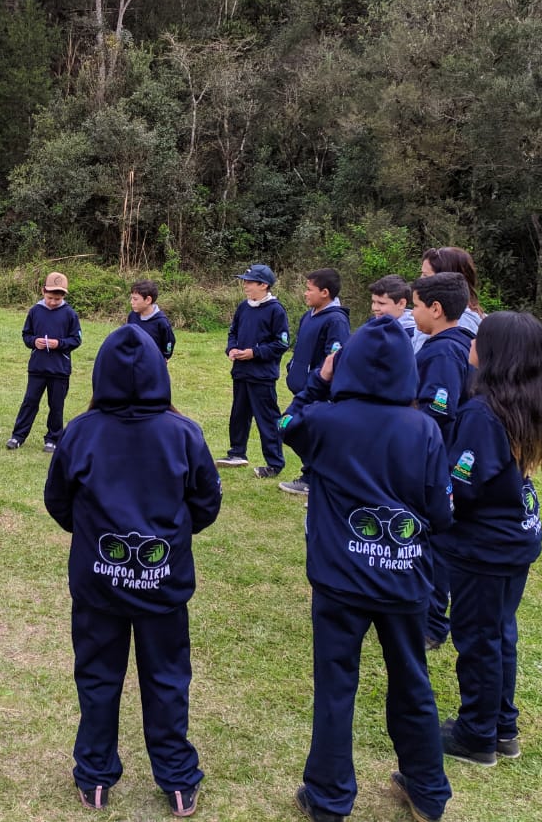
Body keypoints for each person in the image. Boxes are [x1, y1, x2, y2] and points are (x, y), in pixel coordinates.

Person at [279, 317, 454, 822]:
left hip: (339, 579)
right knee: (412, 681)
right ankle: (428, 791)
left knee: (336, 687)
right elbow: (441, 515)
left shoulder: (327, 421)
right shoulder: (423, 428)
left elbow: (287, 423)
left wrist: (318, 382)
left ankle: (329, 798)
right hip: (404, 579)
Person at [44, 324, 222, 817]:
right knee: (164, 679)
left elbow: (58, 501)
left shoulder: (83, 430)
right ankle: (168, 778)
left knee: (101, 677)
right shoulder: (180, 432)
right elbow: (205, 503)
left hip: (105, 583)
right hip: (153, 585)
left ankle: (104, 773)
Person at [438, 312, 542, 766]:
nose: (470, 344)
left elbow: (462, 486)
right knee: (499, 633)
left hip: (484, 548)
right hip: (517, 537)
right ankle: (502, 727)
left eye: (480, 339)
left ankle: (476, 735)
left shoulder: (482, 411)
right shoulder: (535, 400)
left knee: (477, 638)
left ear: (495, 354)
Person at [411, 272, 474, 651]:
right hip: (442, 458)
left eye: (416, 305)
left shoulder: (442, 351)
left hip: (438, 461)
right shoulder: (457, 343)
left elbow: (439, 410)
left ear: (435, 309)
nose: (414, 313)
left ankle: (432, 625)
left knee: (436, 544)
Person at [215, 264, 290, 479]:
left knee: (266, 418)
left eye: (249, 282)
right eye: (245, 281)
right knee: (238, 415)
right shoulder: (243, 307)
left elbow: (282, 343)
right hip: (241, 372)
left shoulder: (276, 310)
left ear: (263, 285)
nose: (245, 286)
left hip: (262, 375)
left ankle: (274, 464)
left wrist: (255, 353)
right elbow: (233, 331)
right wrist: (232, 349)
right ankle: (237, 453)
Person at [282, 268, 351, 497]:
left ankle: (313, 478)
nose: (305, 293)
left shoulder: (336, 320)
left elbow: (334, 358)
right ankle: (311, 475)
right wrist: (292, 367)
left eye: (309, 289)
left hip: (318, 392)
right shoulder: (309, 315)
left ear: (324, 292)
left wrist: (318, 381)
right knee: (296, 429)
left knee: (306, 432)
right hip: (302, 389)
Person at [6, 271, 82, 452]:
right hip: (37, 367)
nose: (53, 302)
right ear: (43, 291)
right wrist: (34, 342)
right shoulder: (35, 311)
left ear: (63, 295)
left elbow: (76, 340)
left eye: (57, 298)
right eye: (50, 297)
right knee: (30, 402)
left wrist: (59, 344)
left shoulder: (70, 314)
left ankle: (53, 439)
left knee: (56, 405)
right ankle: (18, 437)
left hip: (59, 370)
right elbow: (26, 335)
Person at [421, 247, 484, 337]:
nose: (420, 280)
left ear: (447, 279)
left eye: (425, 276)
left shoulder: (460, 324)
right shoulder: (441, 315)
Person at [127, 279, 176, 360]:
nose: (131, 302)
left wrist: (165, 357)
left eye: (135, 299)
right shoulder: (132, 316)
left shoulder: (162, 322)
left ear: (148, 300)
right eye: (131, 298)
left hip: (152, 364)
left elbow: (169, 343)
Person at [369, 274, 421, 351]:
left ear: (401, 304)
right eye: (373, 302)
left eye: (381, 303)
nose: (375, 308)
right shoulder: (371, 323)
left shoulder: (414, 335)